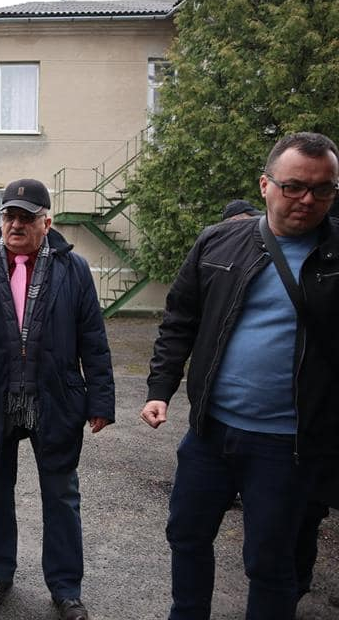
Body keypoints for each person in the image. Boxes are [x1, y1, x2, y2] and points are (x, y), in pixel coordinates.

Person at [141, 132, 339, 619]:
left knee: (270, 562)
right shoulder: (218, 240)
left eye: (323, 189)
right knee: (186, 535)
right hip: (210, 432)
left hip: (288, 444)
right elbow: (180, 319)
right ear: (265, 185)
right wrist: (160, 389)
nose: (308, 199)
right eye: (294, 186)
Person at [0, 179, 115, 620]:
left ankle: (66, 588)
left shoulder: (74, 269)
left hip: (54, 397)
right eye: (9, 216)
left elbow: (93, 337)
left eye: (26, 218)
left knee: (61, 495)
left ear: (47, 223)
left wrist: (101, 400)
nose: (15, 225)